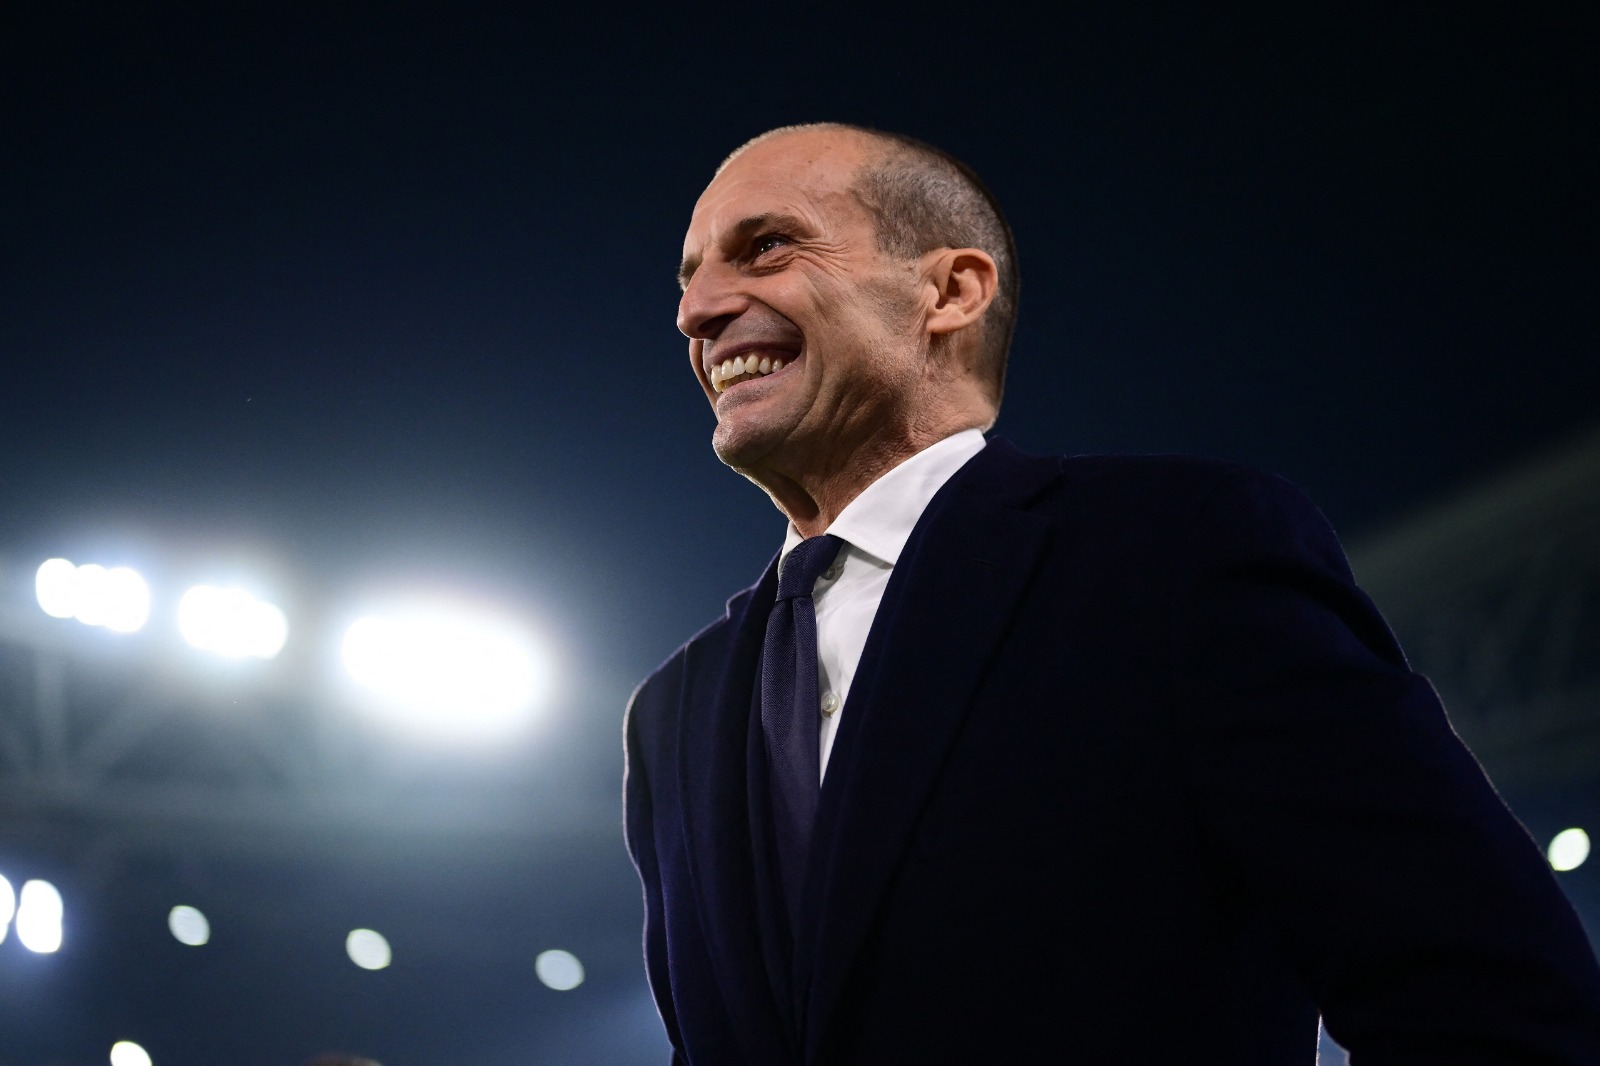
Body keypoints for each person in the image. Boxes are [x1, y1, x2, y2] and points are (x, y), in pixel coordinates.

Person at [623, 122, 1600, 1064]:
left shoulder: (1175, 553)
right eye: (689, 276)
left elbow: (1493, 1004)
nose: (695, 311)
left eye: (767, 247)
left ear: (950, 292)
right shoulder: (672, 711)